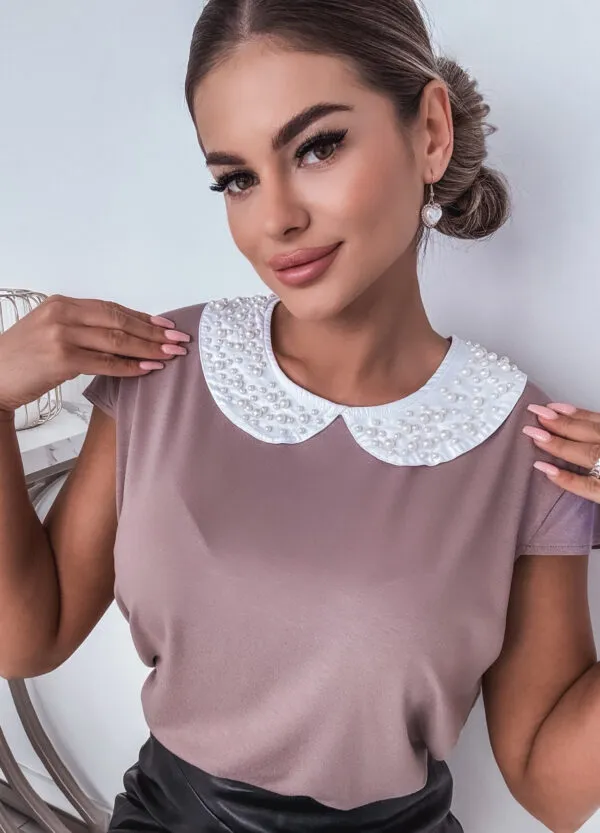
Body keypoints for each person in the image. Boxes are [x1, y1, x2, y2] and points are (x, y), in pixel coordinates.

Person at [1, 1, 599, 831]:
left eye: (318, 147)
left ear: (430, 132)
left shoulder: (527, 442)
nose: (276, 218)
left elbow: (553, 790)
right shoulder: (164, 366)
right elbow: (29, 636)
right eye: (237, 179)